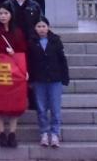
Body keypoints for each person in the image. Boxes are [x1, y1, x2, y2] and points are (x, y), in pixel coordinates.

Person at [0, 6, 27, 148]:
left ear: (11, 15)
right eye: (0, 13)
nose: (3, 16)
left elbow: (23, 50)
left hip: (14, 71)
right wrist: (3, 50)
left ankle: (12, 133)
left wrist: (16, 55)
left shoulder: (17, 31)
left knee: (14, 104)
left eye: (5, 13)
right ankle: (1, 133)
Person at [28, 17, 70, 148]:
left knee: (55, 107)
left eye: (43, 26)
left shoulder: (55, 40)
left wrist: (65, 76)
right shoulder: (31, 41)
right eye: (38, 26)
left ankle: (55, 133)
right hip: (39, 79)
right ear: (35, 28)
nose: (41, 29)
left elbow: (62, 60)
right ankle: (44, 132)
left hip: (55, 78)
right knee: (41, 108)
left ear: (48, 27)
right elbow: (29, 62)